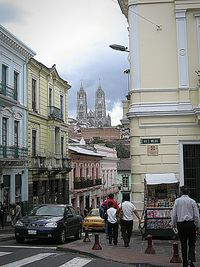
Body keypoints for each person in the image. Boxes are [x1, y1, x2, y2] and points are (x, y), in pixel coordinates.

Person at [171, 186, 200, 267]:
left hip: (181, 225)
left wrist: (173, 225)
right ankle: (190, 259)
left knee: (183, 244)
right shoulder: (192, 201)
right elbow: (196, 215)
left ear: (181, 192)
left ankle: (185, 262)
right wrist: (197, 226)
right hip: (190, 224)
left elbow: (174, 214)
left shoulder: (177, 201)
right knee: (192, 243)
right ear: (188, 192)